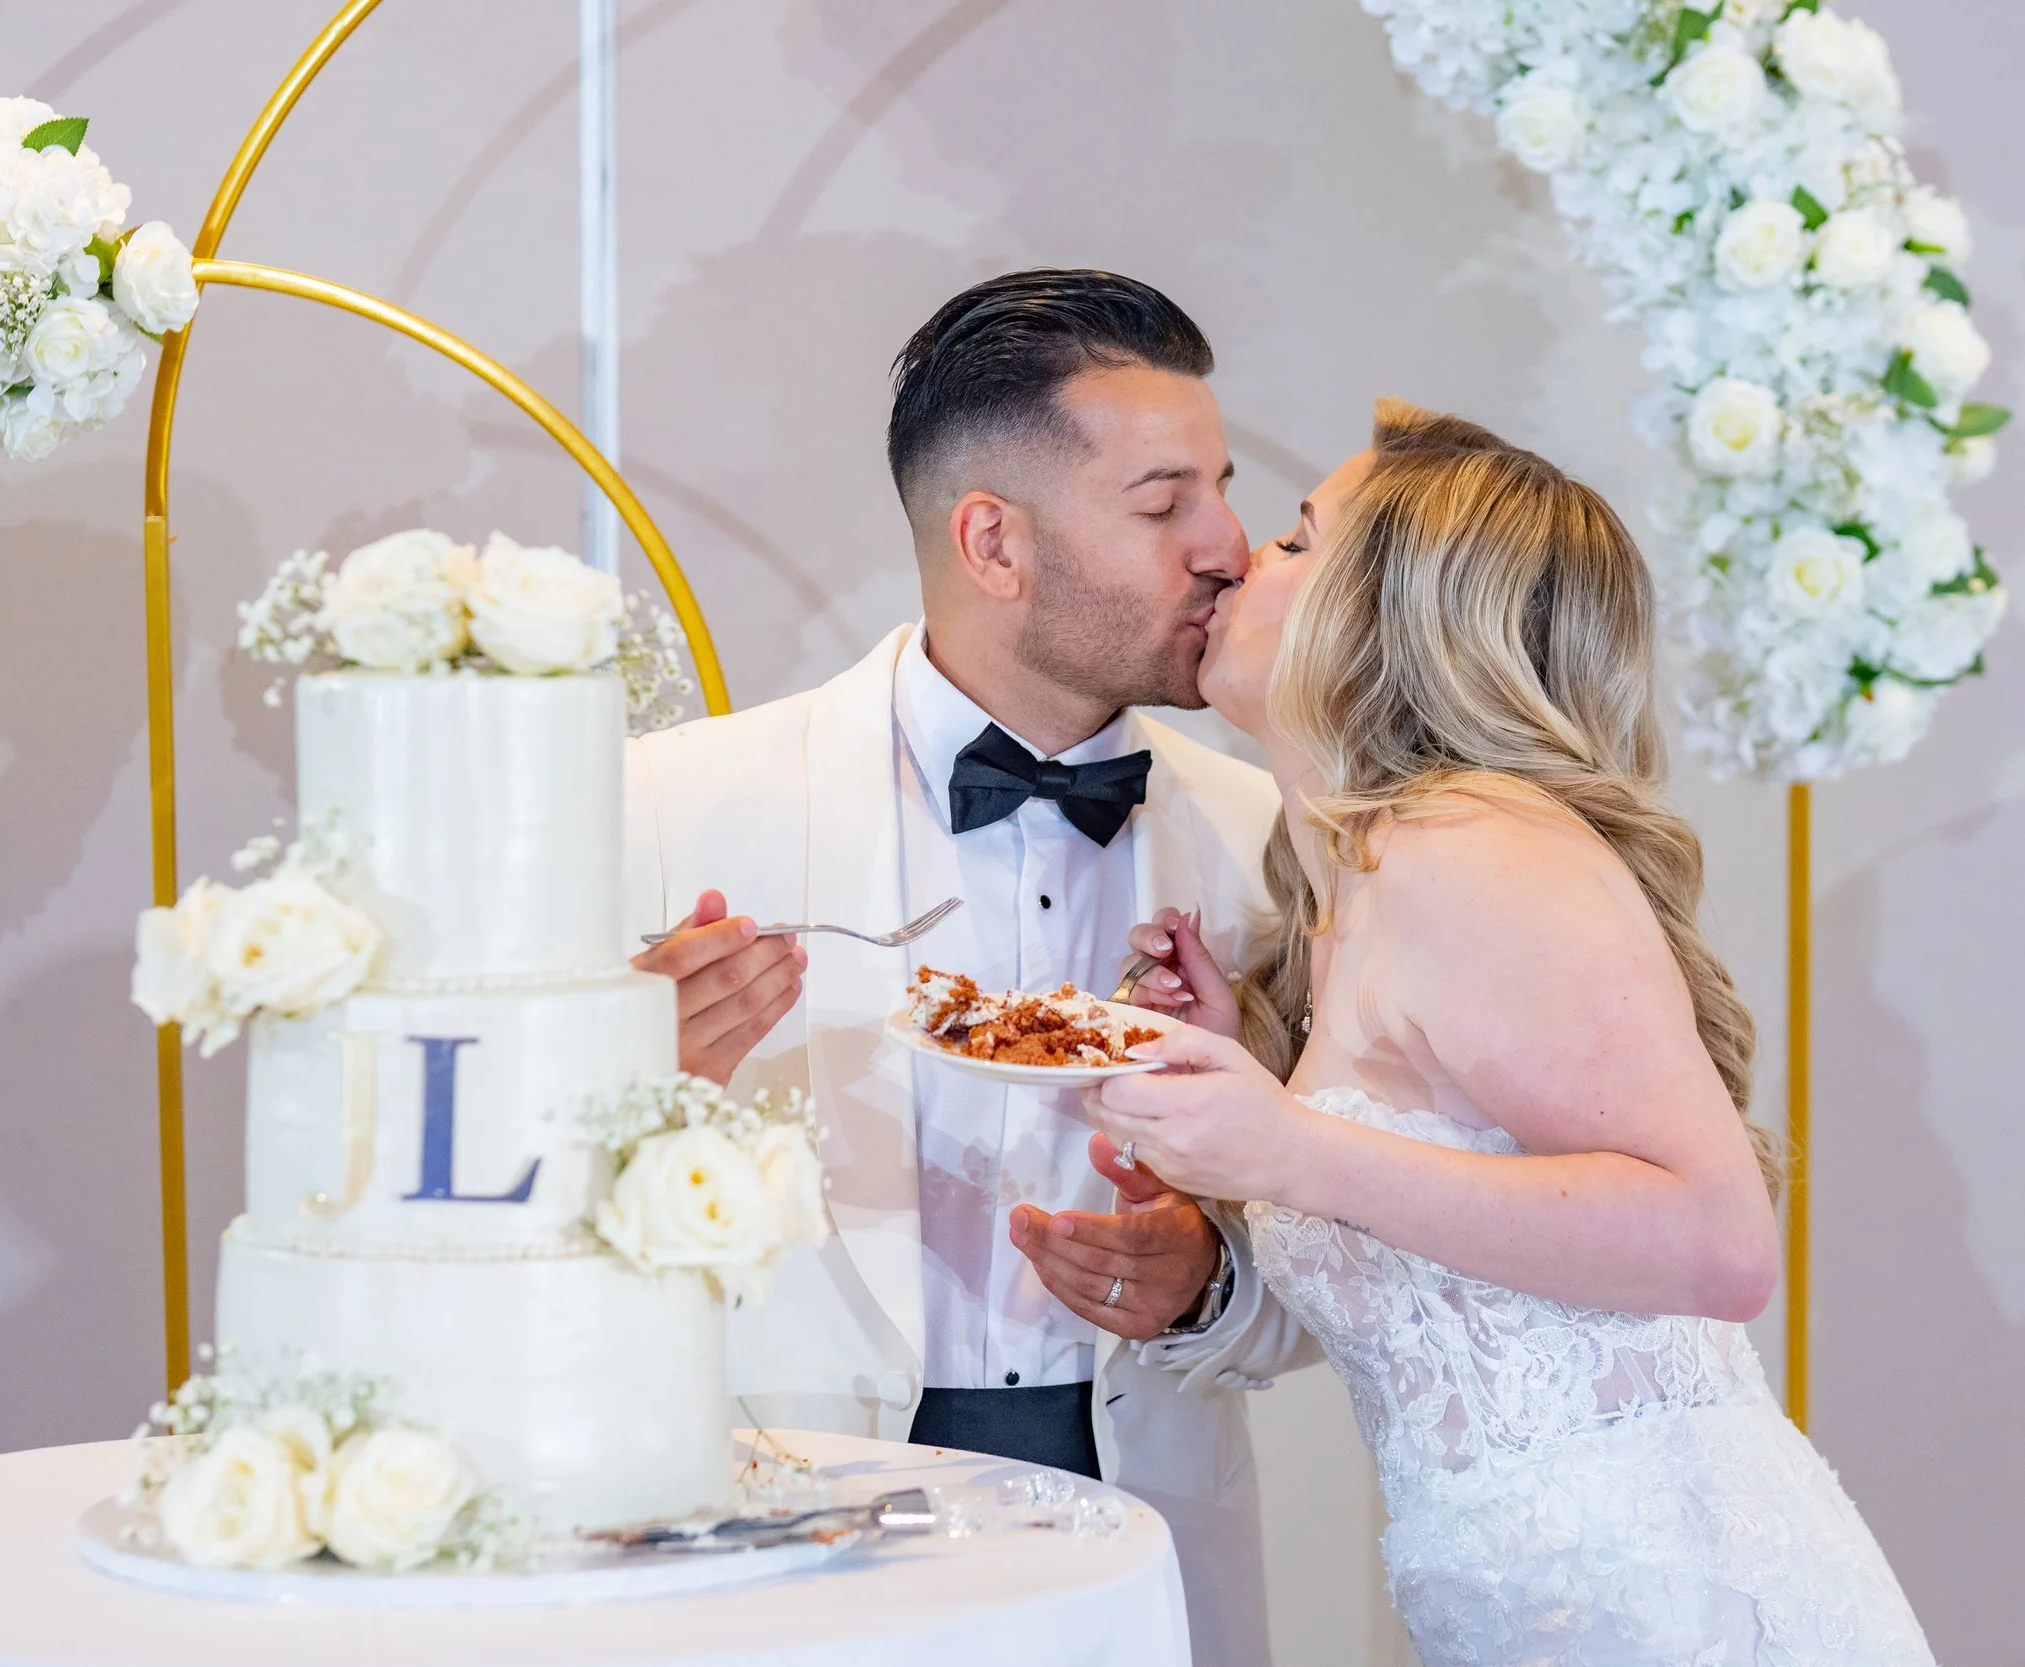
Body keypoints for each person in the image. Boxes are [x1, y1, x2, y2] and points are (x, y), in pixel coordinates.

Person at [1095, 402, 1939, 1665]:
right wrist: (1254, 1072)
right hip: (1528, 1611)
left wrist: (1287, 1148)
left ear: (1390, 614)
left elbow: (1716, 1244)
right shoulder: (1355, 880)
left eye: (1293, 540)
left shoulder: (1474, 847)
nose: (1234, 560)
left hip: (1674, 1604)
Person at [624, 270, 1318, 1667]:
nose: (1229, 546)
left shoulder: (1265, 838)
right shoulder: (665, 809)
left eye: (1224, 489)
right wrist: (630, 1077)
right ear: (993, 542)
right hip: (782, 1548)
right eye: (1162, 499)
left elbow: (1351, 1249)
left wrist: (1209, 1282)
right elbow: (499, 1224)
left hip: (1148, 1539)